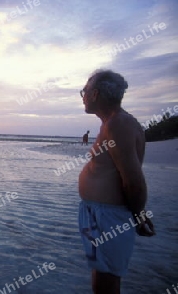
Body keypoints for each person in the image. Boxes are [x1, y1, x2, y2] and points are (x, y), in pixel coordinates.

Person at [78, 69, 155, 294]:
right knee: (102, 273)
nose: (82, 96)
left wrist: (139, 215)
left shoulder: (117, 125)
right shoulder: (112, 123)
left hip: (108, 215)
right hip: (99, 213)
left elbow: (134, 180)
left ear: (95, 94)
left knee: (107, 279)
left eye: (84, 91)